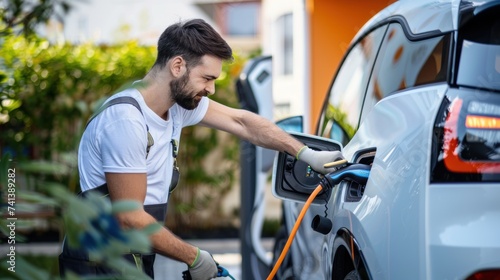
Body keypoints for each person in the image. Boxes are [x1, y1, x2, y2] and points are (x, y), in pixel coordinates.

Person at [59, 18, 343, 279]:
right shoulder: (126, 120)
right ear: (178, 66)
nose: (211, 89)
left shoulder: (177, 108)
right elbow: (130, 217)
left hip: (130, 256)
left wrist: (304, 152)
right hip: (97, 262)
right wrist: (195, 258)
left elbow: (242, 121)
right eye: (207, 78)